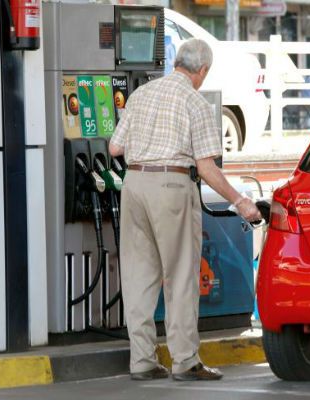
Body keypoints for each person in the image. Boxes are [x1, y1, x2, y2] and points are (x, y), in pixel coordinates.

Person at [108, 38, 261, 381]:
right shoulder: (195, 102)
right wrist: (240, 201)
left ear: (177, 63)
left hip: (133, 186)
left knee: (139, 278)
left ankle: (143, 361)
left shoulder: (142, 94)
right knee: (179, 277)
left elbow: (115, 147)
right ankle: (185, 361)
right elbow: (206, 167)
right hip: (171, 188)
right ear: (202, 70)